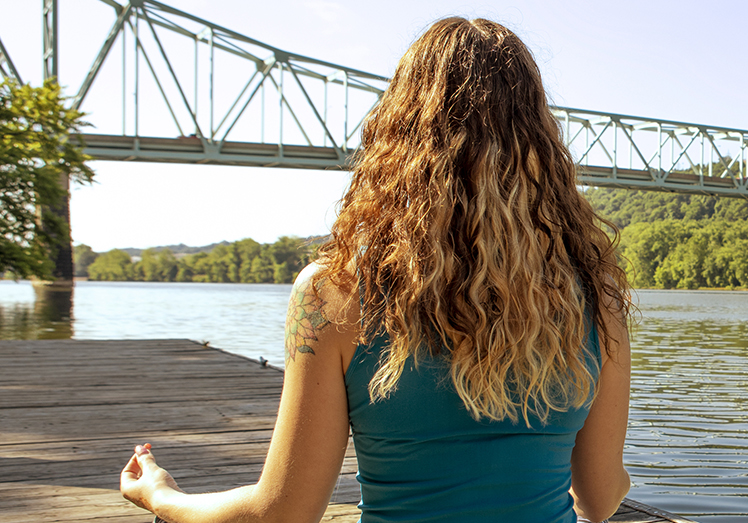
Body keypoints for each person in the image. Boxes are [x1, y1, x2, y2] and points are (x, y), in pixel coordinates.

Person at [119, 17, 634, 523]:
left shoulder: (332, 292)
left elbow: (282, 513)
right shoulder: (595, 292)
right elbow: (600, 499)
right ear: (540, 142)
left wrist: (162, 498)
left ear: (397, 136)